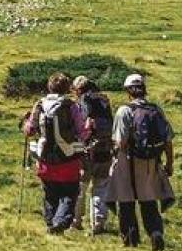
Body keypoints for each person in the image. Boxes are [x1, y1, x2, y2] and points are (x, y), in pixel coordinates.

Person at [105, 72, 174, 251]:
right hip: (151, 162)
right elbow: (168, 140)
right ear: (144, 89)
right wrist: (169, 163)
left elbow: (120, 142)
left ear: (128, 91)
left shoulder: (124, 111)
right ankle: (155, 233)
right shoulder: (156, 110)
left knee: (126, 202)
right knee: (149, 202)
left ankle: (130, 239)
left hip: (127, 161)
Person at [21, 71, 87, 234]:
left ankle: (51, 223)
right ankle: (60, 222)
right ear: (67, 88)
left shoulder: (40, 105)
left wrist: (26, 123)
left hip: (45, 158)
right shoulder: (71, 106)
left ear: (49, 87)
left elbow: (30, 130)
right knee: (69, 193)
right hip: (68, 158)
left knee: (50, 194)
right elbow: (82, 131)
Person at [73, 75, 116, 235]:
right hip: (105, 148)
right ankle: (98, 222)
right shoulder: (104, 100)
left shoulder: (83, 100)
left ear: (78, 89)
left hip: (87, 149)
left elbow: (84, 124)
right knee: (101, 185)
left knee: (81, 185)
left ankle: (75, 220)